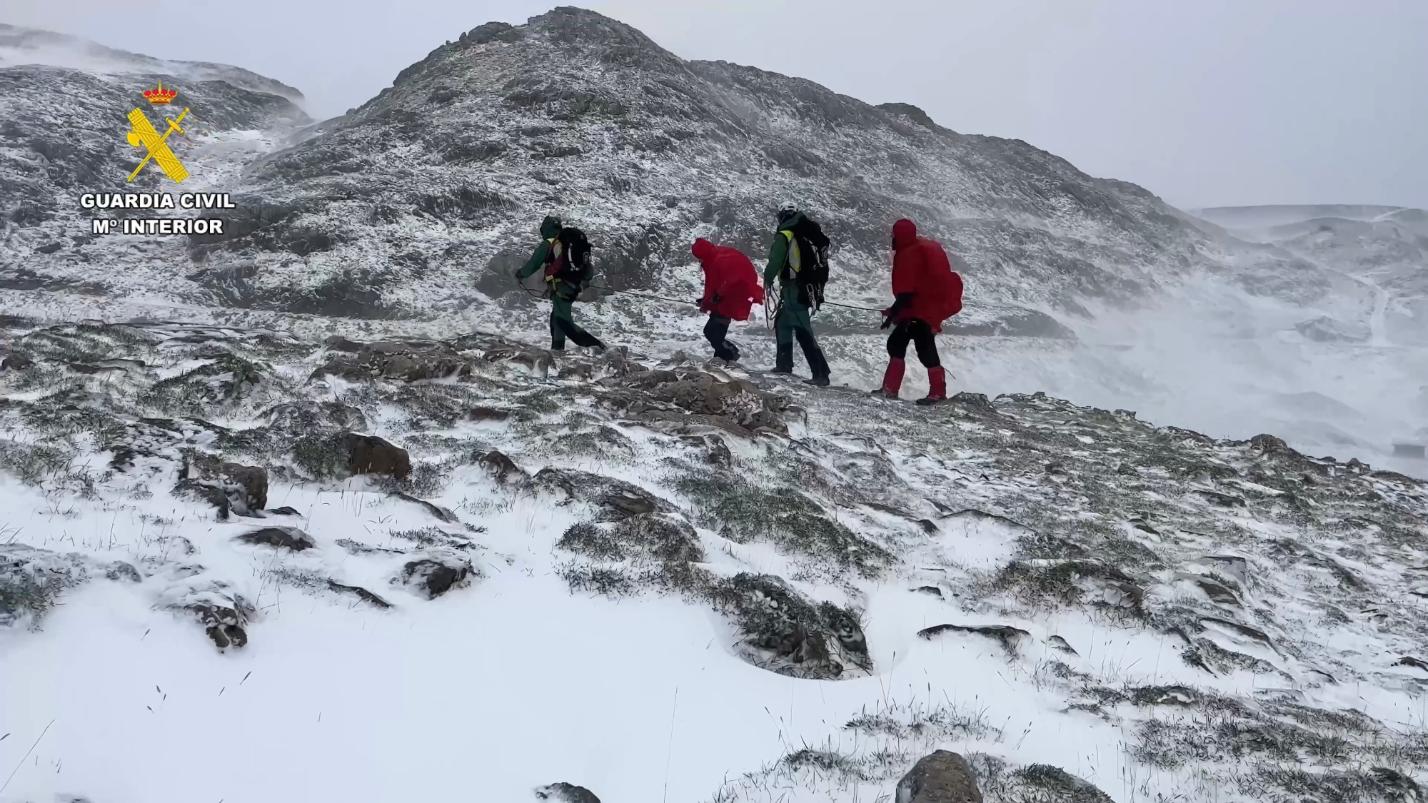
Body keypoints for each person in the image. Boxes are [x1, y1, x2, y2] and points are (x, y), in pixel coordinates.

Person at [873, 218, 963, 405]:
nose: (892, 238)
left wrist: (892, 315)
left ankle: (896, 390)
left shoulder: (908, 254)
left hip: (917, 312)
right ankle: (934, 391)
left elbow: (906, 292)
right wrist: (894, 311)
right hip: (925, 310)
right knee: (917, 347)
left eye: (894, 235)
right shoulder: (920, 248)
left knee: (909, 347)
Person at [514, 215, 605, 352]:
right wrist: (583, 282)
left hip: (561, 287)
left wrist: (520, 274)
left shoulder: (549, 244)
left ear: (545, 229)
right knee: (556, 318)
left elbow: (533, 264)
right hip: (572, 286)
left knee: (564, 321)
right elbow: (588, 271)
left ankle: (599, 348)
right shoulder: (567, 243)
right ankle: (557, 350)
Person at [763, 205, 832, 386]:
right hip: (801, 288)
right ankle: (784, 364)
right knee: (783, 323)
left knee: (803, 330)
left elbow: (776, 260)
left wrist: (768, 278)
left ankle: (820, 373)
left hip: (794, 288)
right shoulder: (803, 233)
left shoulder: (785, 234)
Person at [692, 238, 764, 362]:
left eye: (699, 257)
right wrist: (707, 300)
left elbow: (731, 280)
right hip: (729, 297)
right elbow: (715, 284)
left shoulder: (717, 260)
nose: (699, 260)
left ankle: (729, 355)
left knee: (713, 331)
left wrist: (718, 295)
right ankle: (723, 357)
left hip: (733, 298)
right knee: (712, 331)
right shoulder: (715, 257)